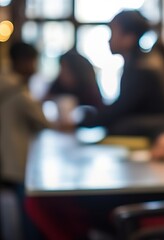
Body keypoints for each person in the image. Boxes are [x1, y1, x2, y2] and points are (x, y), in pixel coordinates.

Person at [79, 10, 164, 139]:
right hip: (159, 128)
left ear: (129, 38)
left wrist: (81, 121)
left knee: (119, 127)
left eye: (113, 33)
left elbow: (119, 110)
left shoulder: (142, 69)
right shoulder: (137, 63)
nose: (109, 40)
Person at [0, 41, 50, 239]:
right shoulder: (18, 90)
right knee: (28, 210)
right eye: (33, 62)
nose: (35, 67)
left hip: (4, 157)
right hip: (15, 159)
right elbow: (42, 121)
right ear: (23, 62)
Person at [43, 50, 104, 130]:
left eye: (65, 69)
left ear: (75, 70)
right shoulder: (58, 84)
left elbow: (99, 115)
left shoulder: (88, 89)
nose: (61, 72)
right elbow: (43, 102)